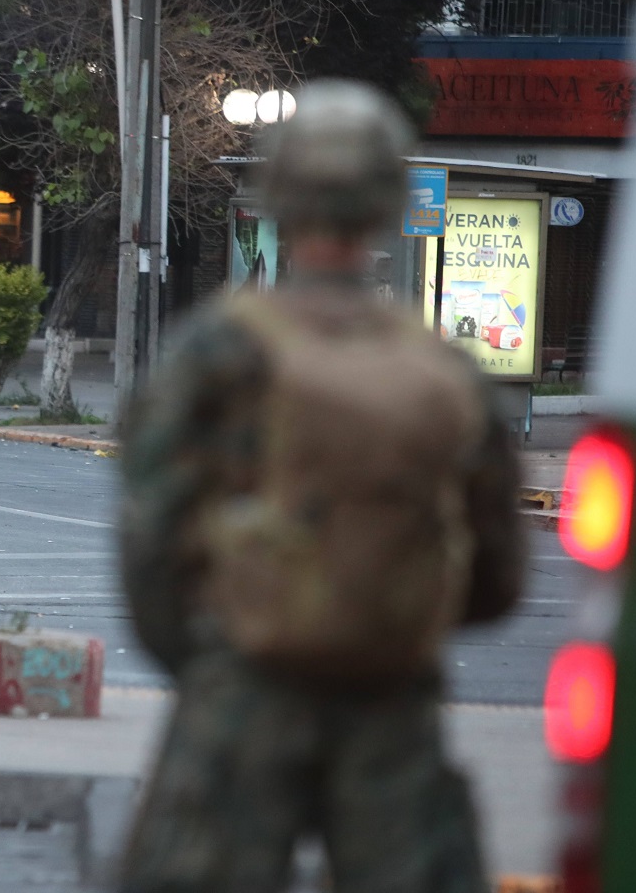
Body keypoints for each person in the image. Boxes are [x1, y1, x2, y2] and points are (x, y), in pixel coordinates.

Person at [115, 80, 525, 893]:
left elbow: (151, 547)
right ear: (387, 201)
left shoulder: (217, 354)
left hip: (242, 697)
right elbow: (497, 580)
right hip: (393, 705)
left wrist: (218, 657)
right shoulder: (445, 371)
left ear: (282, 197)